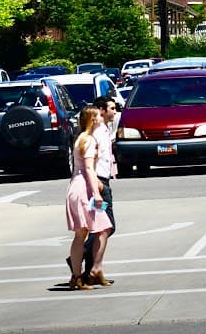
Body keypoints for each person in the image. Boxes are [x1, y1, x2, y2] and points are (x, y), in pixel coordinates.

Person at [64, 106, 113, 290]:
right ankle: (92, 270)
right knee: (103, 228)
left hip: (76, 187)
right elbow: (89, 169)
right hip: (85, 189)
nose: (101, 117)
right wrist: (97, 193)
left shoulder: (79, 139)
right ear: (93, 120)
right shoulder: (89, 141)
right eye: (98, 115)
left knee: (82, 233)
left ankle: (77, 276)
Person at [79, 95, 119, 286]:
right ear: (101, 110)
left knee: (103, 227)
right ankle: (86, 260)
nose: (115, 111)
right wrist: (97, 182)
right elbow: (91, 161)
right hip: (99, 182)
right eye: (112, 108)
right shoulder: (96, 131)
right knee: (106, 225)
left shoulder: (103, 129)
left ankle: (91, 269)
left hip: (104, 179)